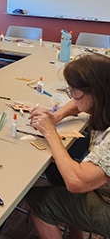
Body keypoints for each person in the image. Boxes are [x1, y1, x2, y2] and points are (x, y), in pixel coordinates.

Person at [26, 53, 110, 239]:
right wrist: (56, 117)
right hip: (101, 188)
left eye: (74, 91)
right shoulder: (104, 98)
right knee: (57, 172)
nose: (72, 96)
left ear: (96, 92)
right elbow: (78, 102)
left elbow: (77, 182)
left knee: (39, 202)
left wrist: (50, 132)